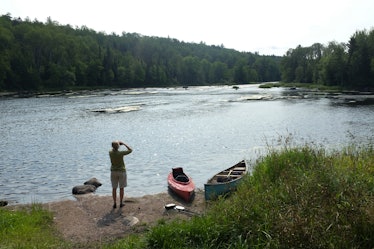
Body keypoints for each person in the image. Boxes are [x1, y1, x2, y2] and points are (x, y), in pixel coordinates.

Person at [109, 140, 133, 208]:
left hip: (113, 172)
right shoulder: (121, 153)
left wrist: (116, 144)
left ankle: (114, 203)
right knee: (121, 188)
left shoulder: (110, 152)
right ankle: (121, 202)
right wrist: (124, 144)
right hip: (121, 171)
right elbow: (130, 150)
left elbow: (113, 148)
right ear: (118, 147)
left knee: (114, 188)